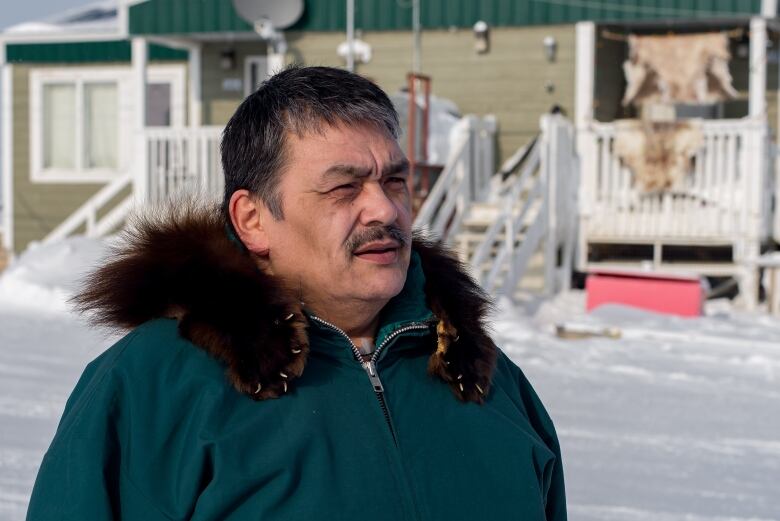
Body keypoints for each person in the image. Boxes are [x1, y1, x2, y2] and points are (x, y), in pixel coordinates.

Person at [26, 65, 566, 520]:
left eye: (395, 182)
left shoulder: (486, 379)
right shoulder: (152, 384)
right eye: (344, 187)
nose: (385, 209)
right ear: (253, 220)